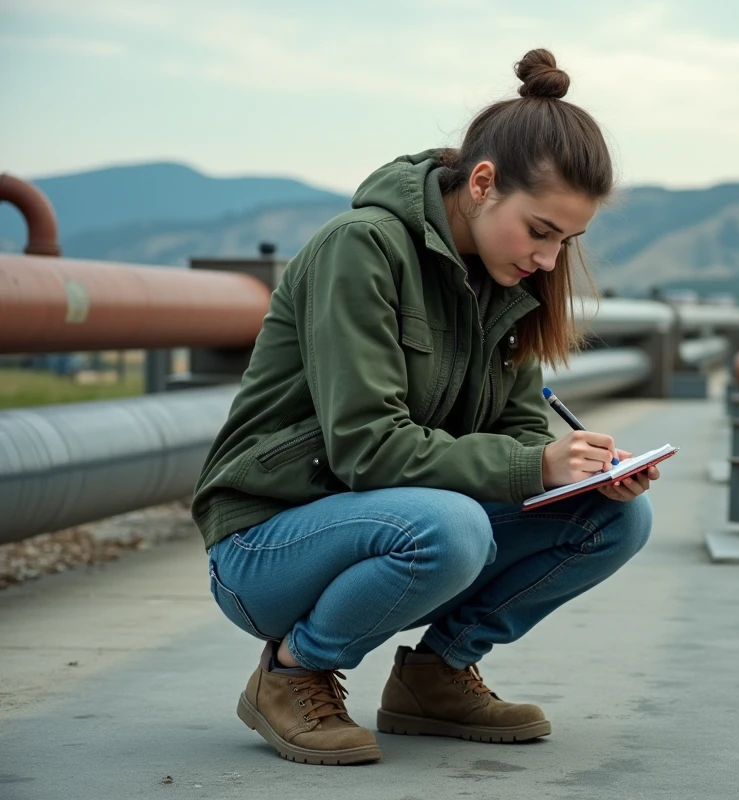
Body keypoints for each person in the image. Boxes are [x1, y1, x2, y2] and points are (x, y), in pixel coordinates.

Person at [191, 48, 657, 766]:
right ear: (481, 183)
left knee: (616, 518)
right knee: (454, 527)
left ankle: (435, 677)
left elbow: (521, 428)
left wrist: (581, 471)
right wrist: (535, 465)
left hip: (396, 528)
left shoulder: (507, 285)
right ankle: (292, 671)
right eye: (539, 231)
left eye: (567, 241)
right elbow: (367, 449)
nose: (549, 261)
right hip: (266, 545)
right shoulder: (362, 251)